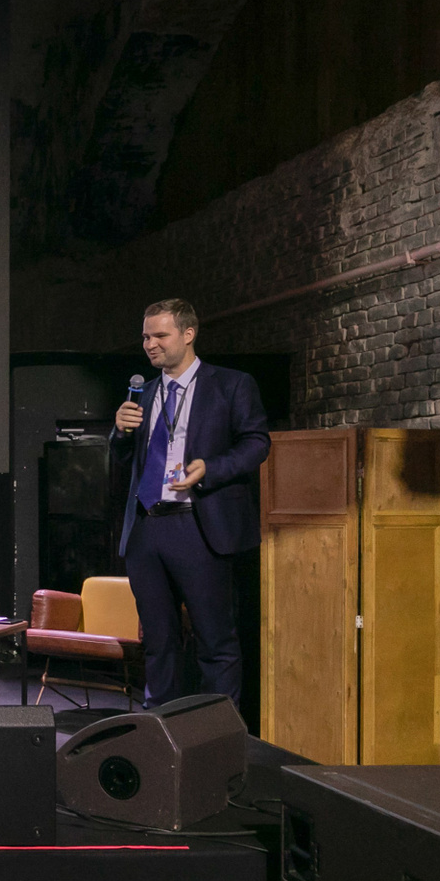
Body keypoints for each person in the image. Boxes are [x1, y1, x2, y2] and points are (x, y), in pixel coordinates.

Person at [111, 298, 270, 707]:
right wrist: (120, 433)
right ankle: (159, 726)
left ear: (188, 334)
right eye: (145, 337)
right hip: (147, 527)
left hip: (199, 525)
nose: (150, 344)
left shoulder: (231, 385)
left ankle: (217, 731)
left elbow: (256, 443)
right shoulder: (143, 394)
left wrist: (210, 468)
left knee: (215, 641)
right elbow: (125, 461)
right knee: (158, 641)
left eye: (160, 335)